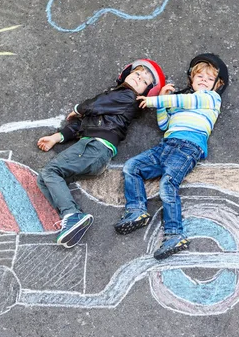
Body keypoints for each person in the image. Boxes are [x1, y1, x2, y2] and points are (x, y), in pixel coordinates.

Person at [37, 59, 165, 248]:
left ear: (145, 94)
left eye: (145, 81)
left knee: (51, 172)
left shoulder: (127, 97)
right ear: (126, 74)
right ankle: (72, 219)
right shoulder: (115, 102)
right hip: (95, 152)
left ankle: (73, 215)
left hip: (95, 147)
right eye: (137, 73)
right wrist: (58, 137)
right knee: (45, 179)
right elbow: (86, 123)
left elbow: (97, 103)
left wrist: (78, 109)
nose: (139, 78)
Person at [115, 53, 228, 260]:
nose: (203, 81)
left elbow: (185, 99)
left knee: (168, 185)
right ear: (191, 79)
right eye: (199, 77)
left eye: (209, 79)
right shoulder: (179, 103)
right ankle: (136, 210)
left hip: (188, 146)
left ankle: (175, 234)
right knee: (133, 167)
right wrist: (162, 105)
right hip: (166, 144)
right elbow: (164, 125)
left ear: (217, 85)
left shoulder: (211, 98)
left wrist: (154, 100)